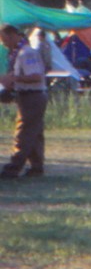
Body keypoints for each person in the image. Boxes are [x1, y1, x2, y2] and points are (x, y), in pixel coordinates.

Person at [0, 23, 48, 179]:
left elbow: (36, 77)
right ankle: (36, 167)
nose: (4, 44)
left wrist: (13, 79)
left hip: (32, 96)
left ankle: (13, 168)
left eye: (4, 40)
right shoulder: (18, 52)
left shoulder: (26, 53)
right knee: (34, 134)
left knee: (24, 132)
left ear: (12, 35)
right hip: (28, 95)